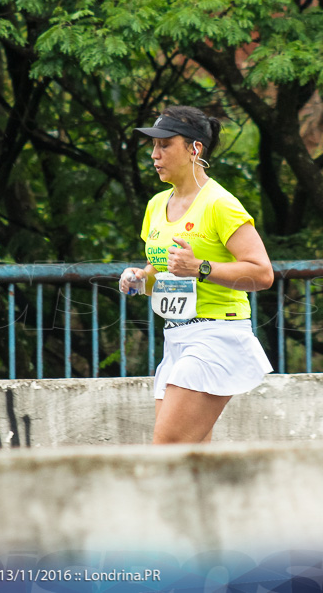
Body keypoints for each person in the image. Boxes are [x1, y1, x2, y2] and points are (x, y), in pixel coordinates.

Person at [119, 106, 274, 444]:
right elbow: (159, 273)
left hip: (217, 336)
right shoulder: (156, 205)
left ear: (194, 149)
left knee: (167, 450)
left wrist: (201, 268)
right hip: (175, 339)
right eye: (153, 146)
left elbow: (262, 274)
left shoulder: (220, 204)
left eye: (165, 145)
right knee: (191, 462)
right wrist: (138, 279)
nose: (154, 155)